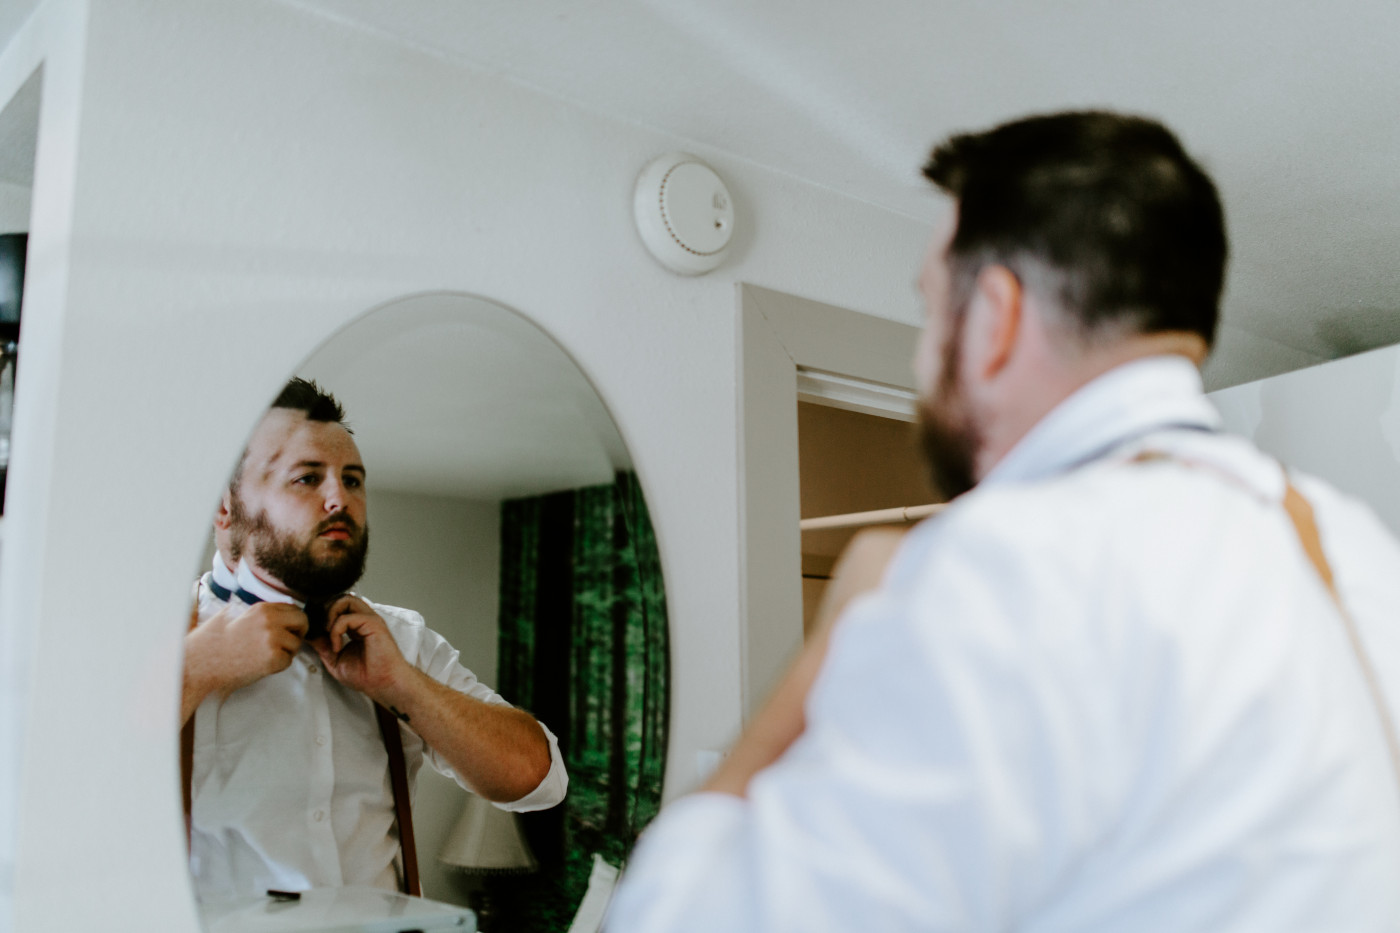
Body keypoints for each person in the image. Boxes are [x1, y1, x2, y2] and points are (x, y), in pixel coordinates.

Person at [607, 111, 1400, 931]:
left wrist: (829, 645)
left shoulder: (1009, 568)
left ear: (995, 315)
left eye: (930, 308)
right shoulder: (1353, 549)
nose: (923, 361)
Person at [182, 378, 567, 899]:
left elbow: (540, 782)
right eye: (306, 478)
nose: (339, 498)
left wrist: (403, 686)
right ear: (225, 509)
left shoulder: (400, 640)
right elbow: (57, 796)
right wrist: (196, 668)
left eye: (353, 479)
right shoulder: (153, 643)